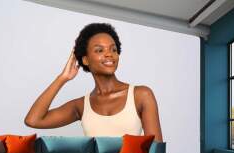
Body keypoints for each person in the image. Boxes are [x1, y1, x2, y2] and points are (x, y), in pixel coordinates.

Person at [24, 23, 163, 142]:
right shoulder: (81, 106)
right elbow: (33, 120)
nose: (109, 54)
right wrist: (63, 77)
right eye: (99, 50)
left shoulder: (141, 95)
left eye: (113, 49)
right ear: (85, 60)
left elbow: (156, 151)